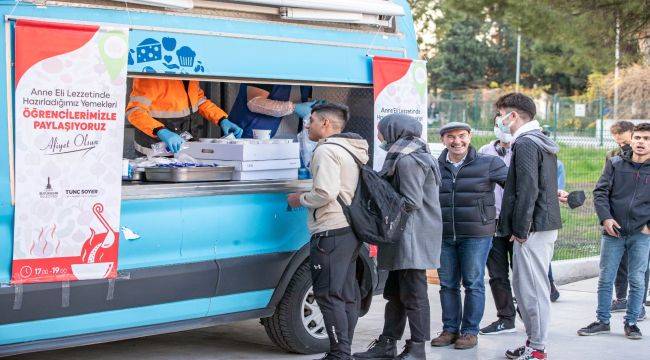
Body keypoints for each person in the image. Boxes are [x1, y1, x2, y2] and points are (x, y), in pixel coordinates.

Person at [353, 114, 442, 360]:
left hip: (411, 236)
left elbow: (411, 202)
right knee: (395, 292)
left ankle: (417, 348)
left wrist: (378, 193)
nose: (379, 136)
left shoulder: (407, 160)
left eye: (381, 131)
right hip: (404, 235)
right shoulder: (410, 154)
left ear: (395, 131)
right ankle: (388, 343)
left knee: (414, 294)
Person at [286, 102, 368, 360]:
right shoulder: (351, 150)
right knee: (345, 293)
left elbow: (325, 193)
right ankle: (344, 350)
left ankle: (339, 354)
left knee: (328, 295)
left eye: (310, 120)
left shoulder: (326, 151)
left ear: (325, 124)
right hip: (349, 231)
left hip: (330, 230)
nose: (306, 124)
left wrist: (299, 199)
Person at [429, 122, 508, 350]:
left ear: (470, 136)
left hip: (477, 234)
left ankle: (470, 331)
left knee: (473, 284)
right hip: (443, 234)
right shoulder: (435, 166)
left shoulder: (489, 163)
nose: (457, 141)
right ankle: (450, 330)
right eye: (450, 137)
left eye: (461, 136)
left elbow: (515, 187)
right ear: (444, 140)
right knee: (447, 284)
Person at [496, 93, 562, 360]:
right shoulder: (539, 140)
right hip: (539, 224)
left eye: (501, 115)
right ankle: (534, 342)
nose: (499, 120)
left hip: (533, 228)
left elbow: (527, 189)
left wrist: (521, 229)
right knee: (527, 287)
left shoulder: (525, 143)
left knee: (531, 289)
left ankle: (538, 348)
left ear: (513, 116)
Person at [577, 122, 650, 340]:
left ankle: (631, 323)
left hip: (641, 234)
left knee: (637, 279)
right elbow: (600, 192)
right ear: (632, 139)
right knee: (606, 277)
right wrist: (606, 218)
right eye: (638, 137)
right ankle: (602, 320)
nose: (641, 142)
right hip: (613, 232)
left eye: (646, 139)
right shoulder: (615, 163)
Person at [126, 78, 242, 155]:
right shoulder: (151, 76)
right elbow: (134, 111)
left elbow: (199, 101)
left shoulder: (190, 76)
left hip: (185, 151)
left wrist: (222, 119)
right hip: (153, 156)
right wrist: (160, 131)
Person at [605, 121, 646, 316]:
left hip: (641, 227)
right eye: (618, 143)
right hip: (617, 223)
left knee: (640, 269)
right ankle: (621, 298)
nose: (622, 146)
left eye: (624, 142)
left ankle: (638, 308)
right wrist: (607, 217)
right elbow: (604, 189)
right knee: (620, 264)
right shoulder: (614, 158)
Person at [228, 84, 320, 139]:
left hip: (290, 141)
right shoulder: (267, 64)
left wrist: (314, 109)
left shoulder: (306, 77)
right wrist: (293, 107)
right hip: (254, 138)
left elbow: (304, 105)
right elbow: (254, 102)